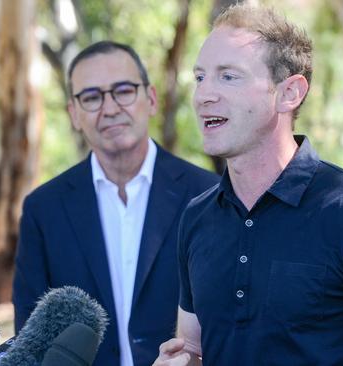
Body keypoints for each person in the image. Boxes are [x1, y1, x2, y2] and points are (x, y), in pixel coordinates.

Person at [154, 4, 343, 366]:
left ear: (289, 93)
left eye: (228, 76)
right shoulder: (196, 218)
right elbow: (194, 350)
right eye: (199, 77)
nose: (203, 94)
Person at [12, 41, 218, 366]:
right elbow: (30, 337)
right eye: (91, 97)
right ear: (74, 114)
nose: (109, 109)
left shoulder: (208, 194)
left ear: (150, 99)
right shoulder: (43, 209)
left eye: (123, 91)